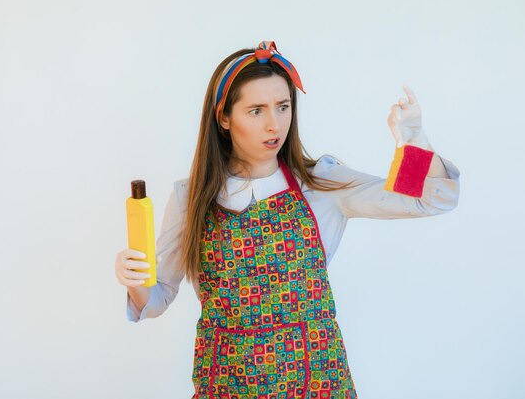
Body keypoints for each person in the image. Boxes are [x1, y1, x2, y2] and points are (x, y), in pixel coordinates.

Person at [115, 41, 460, 399]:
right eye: (256, 111)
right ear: (224, 117)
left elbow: (428, 199)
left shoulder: (323, 184)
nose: (274, 124)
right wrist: (135, 281)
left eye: (283, 107)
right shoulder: (191, 198)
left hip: (317, 386)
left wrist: (414, 139)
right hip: (226, 387)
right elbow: (156, 300)